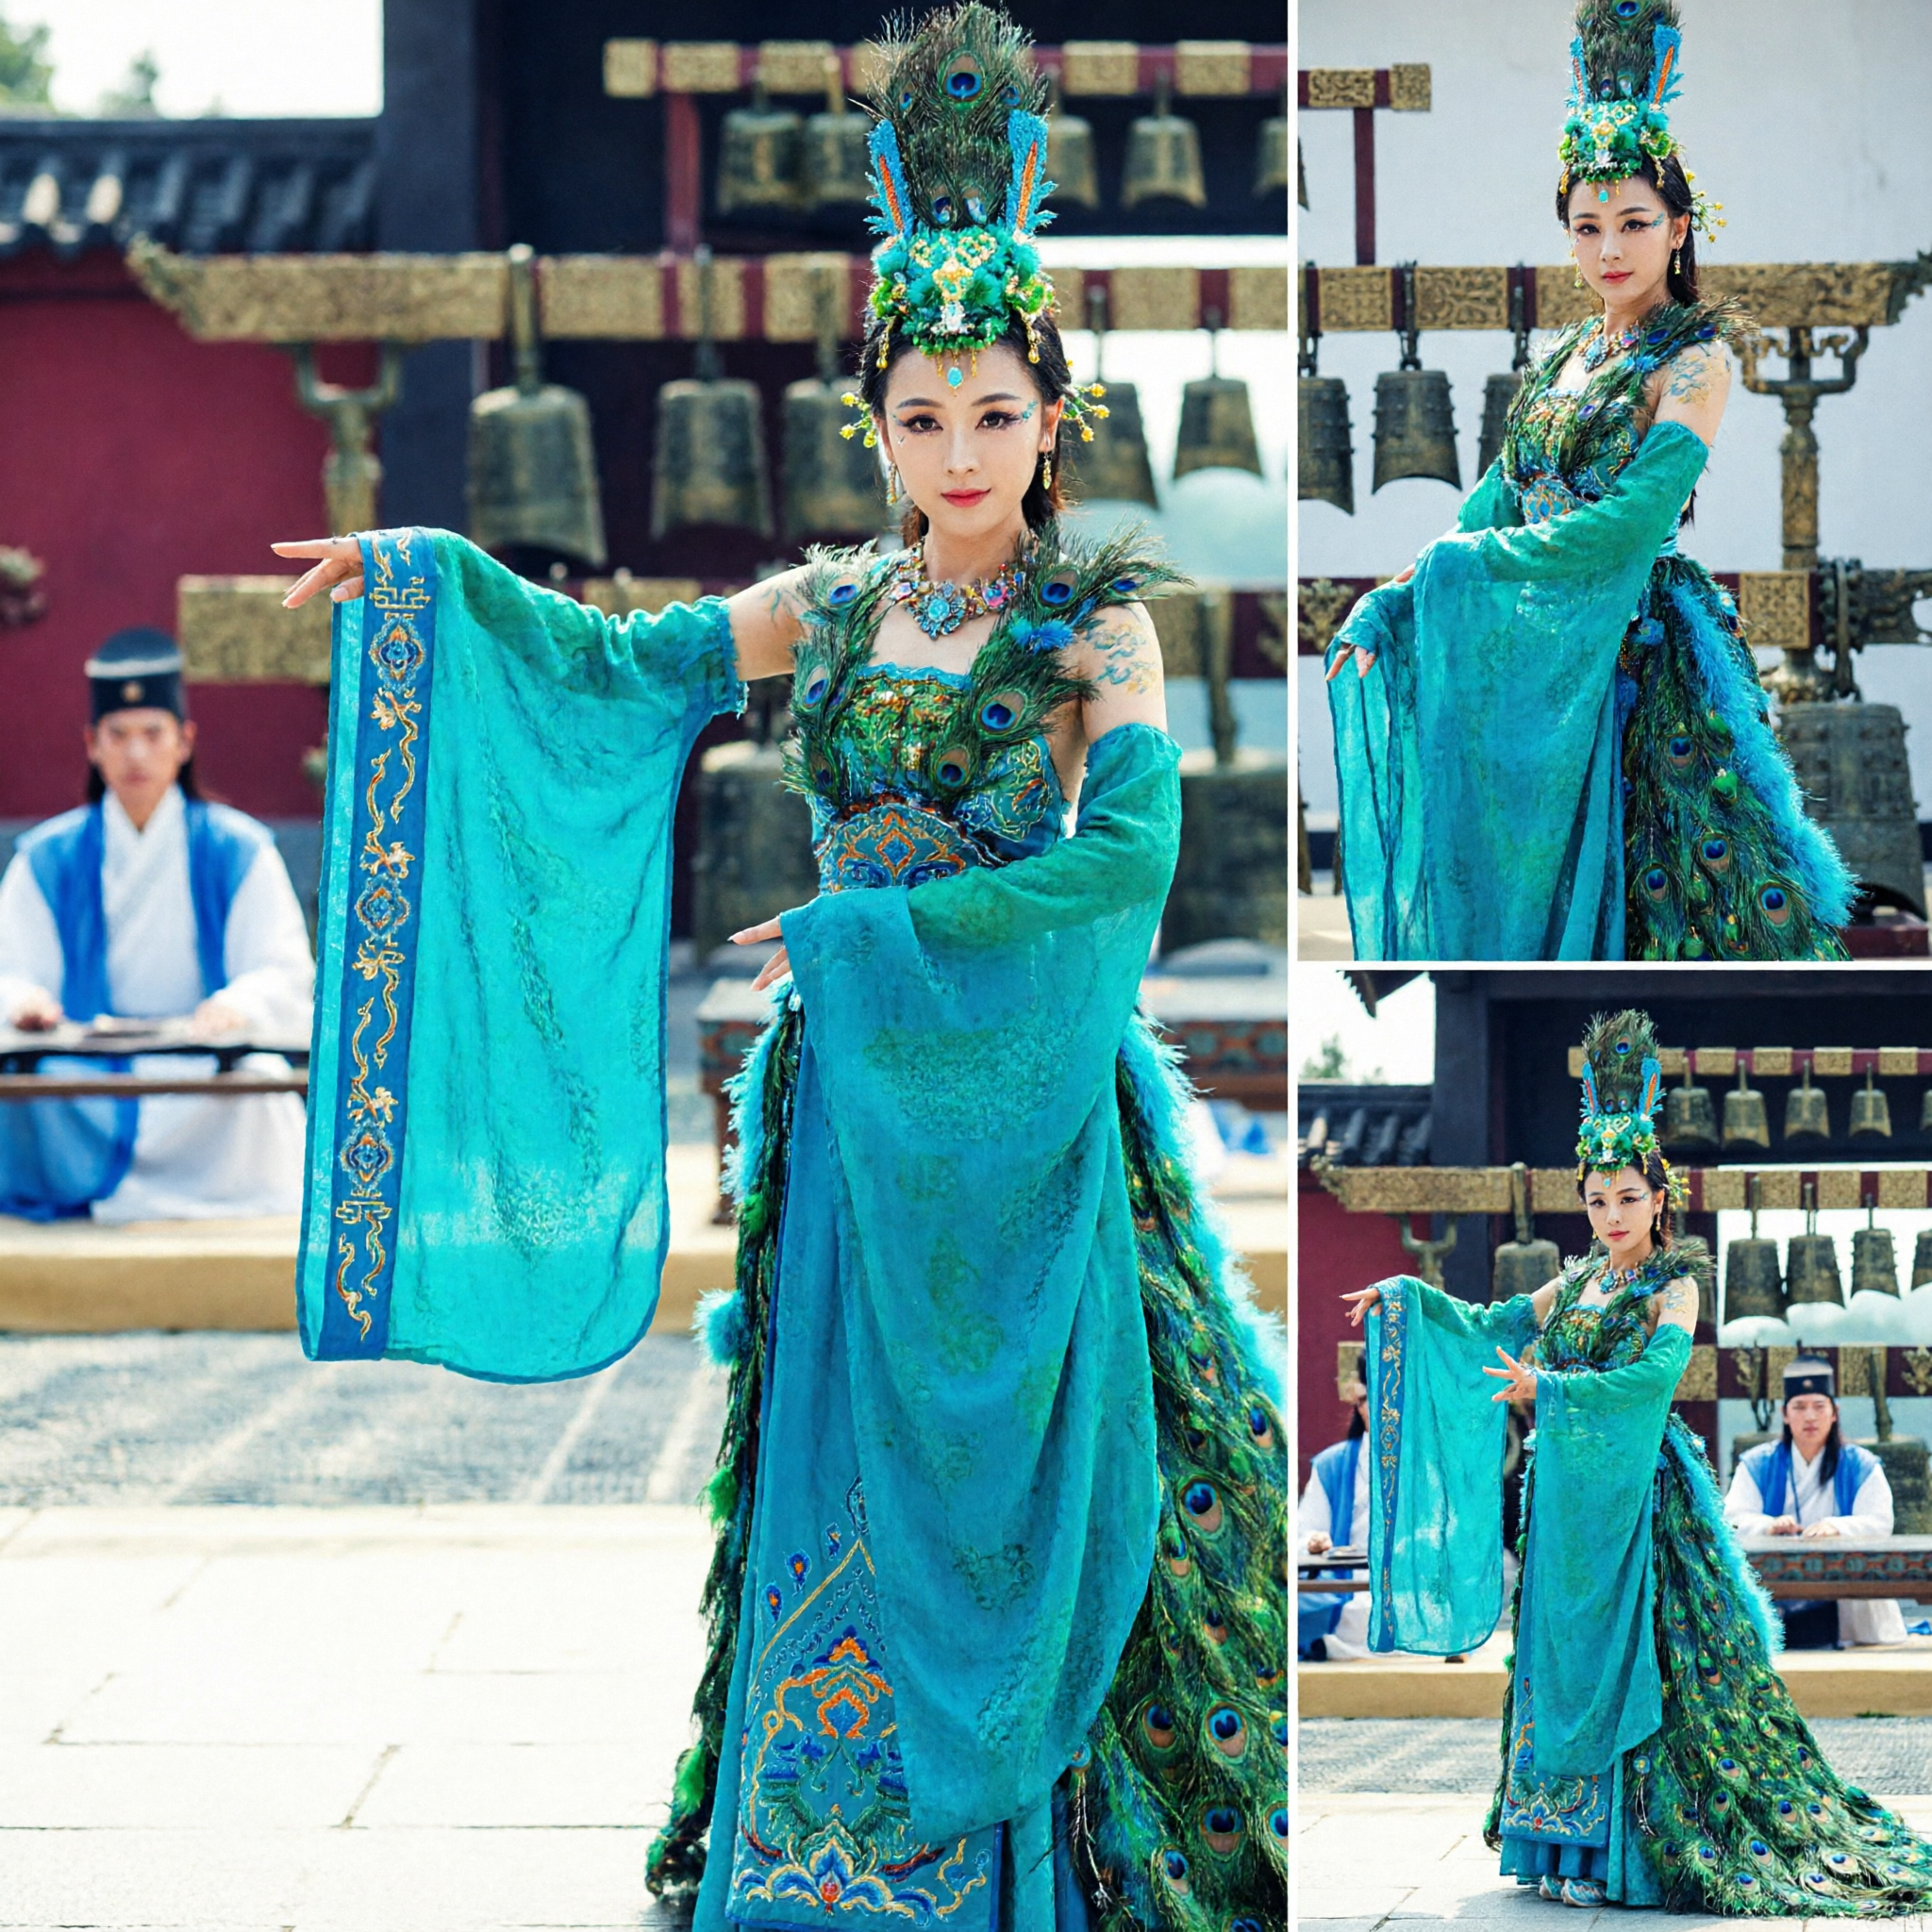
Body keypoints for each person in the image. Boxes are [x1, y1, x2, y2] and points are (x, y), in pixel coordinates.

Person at [272, 8, 1286, 1928]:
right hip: (847, 1129)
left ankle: (1030, 1848)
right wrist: (430, 572)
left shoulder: (1097, 630)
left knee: (1050, 1487)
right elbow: (616, 667)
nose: (960, 451)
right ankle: (818, 1838)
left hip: (1030, 1120)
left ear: (1050, 415)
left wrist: (860, 927)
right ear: (874, 424)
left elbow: (1130, 862)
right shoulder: (822, 609)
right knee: (824, 1449)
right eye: (920, 416)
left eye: (995, 412)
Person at [1342, 1008, 1932, 1914]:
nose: (1611, 1216)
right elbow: (1491, 1327)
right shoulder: (1574, 1280)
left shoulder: (1676, 1281)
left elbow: (1659, 1374)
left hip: (1640, 1498)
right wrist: (1409, 1297)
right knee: (1555, 1656)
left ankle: (1624, 1850)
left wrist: (1558, 1394)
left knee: (1637, 1659)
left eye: (1627, 1198)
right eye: (1596, 1199)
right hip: (1564, 1498)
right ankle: (1553, 1844)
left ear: (1659, 1196)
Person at [1323, 0, 1853, 963]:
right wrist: (1397, 597)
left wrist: (1467, 561)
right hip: (1534, 646)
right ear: (1566, 237)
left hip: (1631, 652)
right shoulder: (1563, 353)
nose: (1609, 247)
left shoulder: (1693, 360)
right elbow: (1496, 491)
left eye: (1633, 222)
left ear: (1678, 228)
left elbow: (1629, 520)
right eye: (1587, 225)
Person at [0, 627, 312, 1222]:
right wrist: (22, 1001)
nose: (136, 754)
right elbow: (7, 971)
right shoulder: (48, 857)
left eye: (152, 734)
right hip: (87, 1064)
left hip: (202, 1058)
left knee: (257, 1080)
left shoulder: (238, 848)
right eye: (118, 736)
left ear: (185, 741)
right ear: (93, 744)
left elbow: (283, 970)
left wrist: (238, 1006)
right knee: (34, 1089)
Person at [1724, 1357, 1907, 1649]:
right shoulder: (1758, 1463)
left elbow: (1879, 1522)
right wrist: (1768, 1525)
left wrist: (1835, 1527)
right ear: (1785, 1414)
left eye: (1819, 1407)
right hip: (1777, 1585)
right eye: (1799, 1407)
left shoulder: (1861, 1465)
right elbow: (1731, 1520)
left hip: (1845, 1590)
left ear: (1834, 1413)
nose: (1810, 1416)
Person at [1299, 1368, 1371, 1660]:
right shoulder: (1332, 1464)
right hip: (1345, 1582)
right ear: (1359, 1405)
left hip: (1406, 1587)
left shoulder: (1425, 1465)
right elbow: (1304, 1532)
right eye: (1369, 1400)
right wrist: (1313, 1541)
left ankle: (1327, 1646)